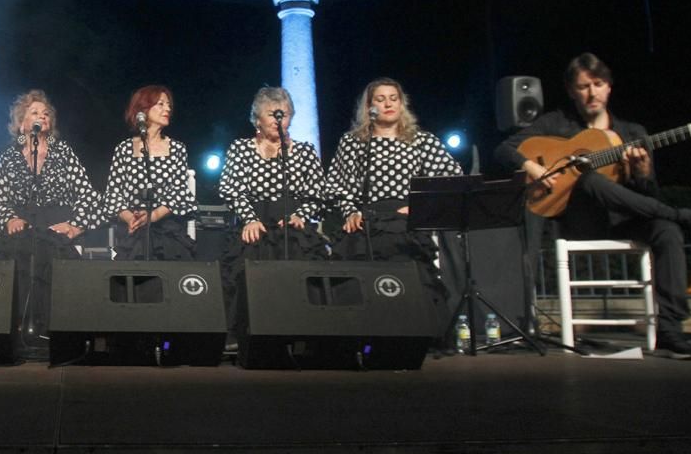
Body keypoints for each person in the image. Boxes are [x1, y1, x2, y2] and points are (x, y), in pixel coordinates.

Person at [495, 52, 691, 359]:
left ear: (609, 87)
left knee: (666, 230)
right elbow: (505, 149)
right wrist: (535, 169)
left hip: (622, 219)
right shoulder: (555, 123)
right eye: (583, 86)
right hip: (579, 222)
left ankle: (670, 330)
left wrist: (642, 172)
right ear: (572, 91)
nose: (592, 93)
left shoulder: (633, 133)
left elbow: (649, 197)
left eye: (598, 84)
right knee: (589, 180)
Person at [0, 89, 102, 346]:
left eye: (46, 113)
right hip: (23, 228)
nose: (42, 116)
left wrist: (75, 226)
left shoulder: (63, 153)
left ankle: (51, 332)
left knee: (53, 256)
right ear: (21, 123)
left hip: (55, 228)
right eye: (34, 112)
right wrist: (9, 219)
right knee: (17, 256)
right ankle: (19, 331)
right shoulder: (9, 156)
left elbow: (89, 196)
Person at [218, 87, 330, 330]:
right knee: (243, 265)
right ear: (257, 119)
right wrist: (249, 218)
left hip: (292, 226)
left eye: (285, 114)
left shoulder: (305, 152)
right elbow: (230, 188)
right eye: (272, 114)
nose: (279, 119)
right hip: (254, 224)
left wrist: (301, 214)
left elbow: (319, 194)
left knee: (305, 263)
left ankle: (304, 331)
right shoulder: (241, 149)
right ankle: (244, 333)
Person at [325, 78, 462, 262]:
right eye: (380, 100)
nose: (388, 104)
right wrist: (351, 212)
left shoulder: (421, 140)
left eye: (393, 98)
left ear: (401, 103)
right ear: (369, 107)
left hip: (408, 220)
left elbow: (450, 178)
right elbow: (337, 184)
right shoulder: (353, 142)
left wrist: (420, 206)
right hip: (367, 222)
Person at [102, 85, 196, 261]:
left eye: (168, 105)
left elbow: (179, 192)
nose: (167, 109)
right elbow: (113, 194)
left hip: (167, 230)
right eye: (161, 104)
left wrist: (153, 216)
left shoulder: (177, 149)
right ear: (143, 109)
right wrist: (131, 218)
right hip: (134, 229)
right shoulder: (124, 149)